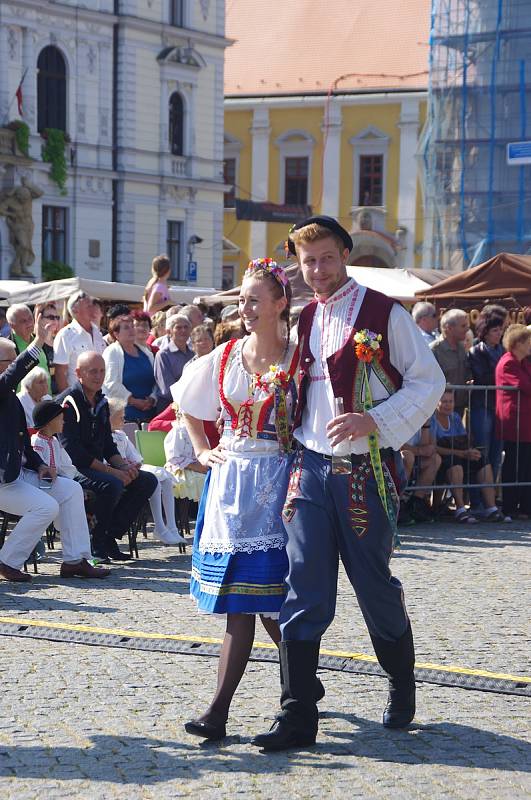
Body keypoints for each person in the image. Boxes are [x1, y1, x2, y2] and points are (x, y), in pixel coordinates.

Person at [251, 215, 445, 752]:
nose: (317, 270)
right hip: (310, 468)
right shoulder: (306, 317)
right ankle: (296, 715)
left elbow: (429, 381)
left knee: (373, 585)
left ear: (345, 254)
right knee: (303, 584)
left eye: (327, 257)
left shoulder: (386, 312)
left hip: (362, 471)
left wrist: (375, 421)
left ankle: (402, 682)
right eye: (307, 260)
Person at [176, 258, 304, 742]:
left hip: (276, 486)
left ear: (279, 303)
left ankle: (228, 708)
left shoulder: (298, 358)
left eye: (254, 299)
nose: (245, 308)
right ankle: (247, 702)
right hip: (230, 488)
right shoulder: (226, 354)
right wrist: (205, 448)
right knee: (242, 600)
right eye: (242, 299)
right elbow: (189, 403)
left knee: (266, 601)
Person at [0, 317, 109, 582]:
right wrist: (38, 342)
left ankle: (75, 559)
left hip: (17, 473)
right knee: (46, 507)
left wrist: (39, 465)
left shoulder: (9, 396)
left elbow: (23, 443)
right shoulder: (3, 388)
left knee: (70, 489)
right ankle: (7, 561)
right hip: (3, 480)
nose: (18, 364)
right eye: (11, 359)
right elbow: (13, 373)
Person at [58, 351, 158, 562]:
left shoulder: (101, 401)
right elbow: (73, 453)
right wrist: (113, 472)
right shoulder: (68, 402)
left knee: (146, 480)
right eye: (92, 371)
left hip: (95, 465)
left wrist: (124, 467)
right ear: (78, 373)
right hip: (71, 469)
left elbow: (108, 445)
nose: (98, 376)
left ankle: (109, 536)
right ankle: (96, 541)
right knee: (112, 484)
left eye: (102, 371)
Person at [30, 400, 111, 578]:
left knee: (77, 498)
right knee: (73, 498)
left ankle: (79, 558)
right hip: (42, 490)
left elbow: (67, 466)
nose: (63, 422)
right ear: (50, 421)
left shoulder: (54, 442)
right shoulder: (37, 442)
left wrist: (70, 482)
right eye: (60, 418)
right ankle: (76, 559)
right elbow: (37, 467)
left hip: (58, 487)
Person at [107, 398, 184, 545]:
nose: (124, 420)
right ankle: (160, 526)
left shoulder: (122, 436)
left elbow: (136, 457)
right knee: (152, 478)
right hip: (118, 472)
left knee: (165, 477)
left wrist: (133, 463)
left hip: (131, 469)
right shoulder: (105, 437)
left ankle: (172, 527)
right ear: (110, 418)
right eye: (120, 417)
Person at [433, 389, 506, 523]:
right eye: (444, 402)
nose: (448, 405)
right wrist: (461, 453)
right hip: (440, 460)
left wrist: (471, 451)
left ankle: (491, 508)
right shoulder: (431, 420)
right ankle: (460, 509)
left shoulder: (455, 417)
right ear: (436, 403)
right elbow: (433, 448)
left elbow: (463, 440)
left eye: (451, 401)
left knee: (482, 460)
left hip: (459, 455)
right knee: (455, 464)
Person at [467, 314, 505, 506]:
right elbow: (483, 377)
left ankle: (491, 499)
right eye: (495, 330)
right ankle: (477, 501)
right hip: (482, 406)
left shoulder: (504, 351)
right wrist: (502, 375)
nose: (499, 334)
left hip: (498, 407)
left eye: (500, 330)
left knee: (496, 454)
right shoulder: (476, 352)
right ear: (485, 332)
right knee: (481, 453)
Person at [495, 324, 531, 519]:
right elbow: (524, 385)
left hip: (526, 422)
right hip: (515, 422)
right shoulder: (508, 362)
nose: (530, 345)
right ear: (518, 344)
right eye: (527, 342)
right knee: (514, 464)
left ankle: (525, 505)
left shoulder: (523, 363)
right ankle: (510, 505)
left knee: (526, 465)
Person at [102, 315, 157, 424]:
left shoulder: (147, 353)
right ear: (116, 334)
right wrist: (134, 401)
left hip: (150, 415)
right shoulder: (112, 352)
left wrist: (152, 399)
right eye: (126, 327)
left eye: (132, 326)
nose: (132, 330)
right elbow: (111, 383)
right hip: (124, 417)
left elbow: (156, 380)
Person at [53, 291, 106, 391]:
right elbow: (60, 373)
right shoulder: (65, 335)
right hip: (78, 398)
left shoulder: (97, 333)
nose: (93, 309)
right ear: (75, 310)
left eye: (92, 305)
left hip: (100, 396)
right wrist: (68, 401)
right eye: (88, 306)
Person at [430, 309, 472, 416]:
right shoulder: (434, 350)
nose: (467, 329)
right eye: (463, 326)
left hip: (459, 407)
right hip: (439, 410)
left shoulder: (461, 348)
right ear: (449, 328)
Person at [6, 303, 51, 389]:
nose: (29, 323)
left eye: (30, 318)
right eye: (23, 321)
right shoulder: (7, 348)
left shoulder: (40, 339)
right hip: (21, 401)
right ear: (12, 325)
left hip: (46, 399)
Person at [153, 314, 193, 410]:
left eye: (186, 327)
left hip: (190, 405)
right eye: (178, 327)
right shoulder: (163, 355)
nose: (183, 330)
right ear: (169, 332)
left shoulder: (192, 354)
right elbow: (167, 389)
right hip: (169, 407)